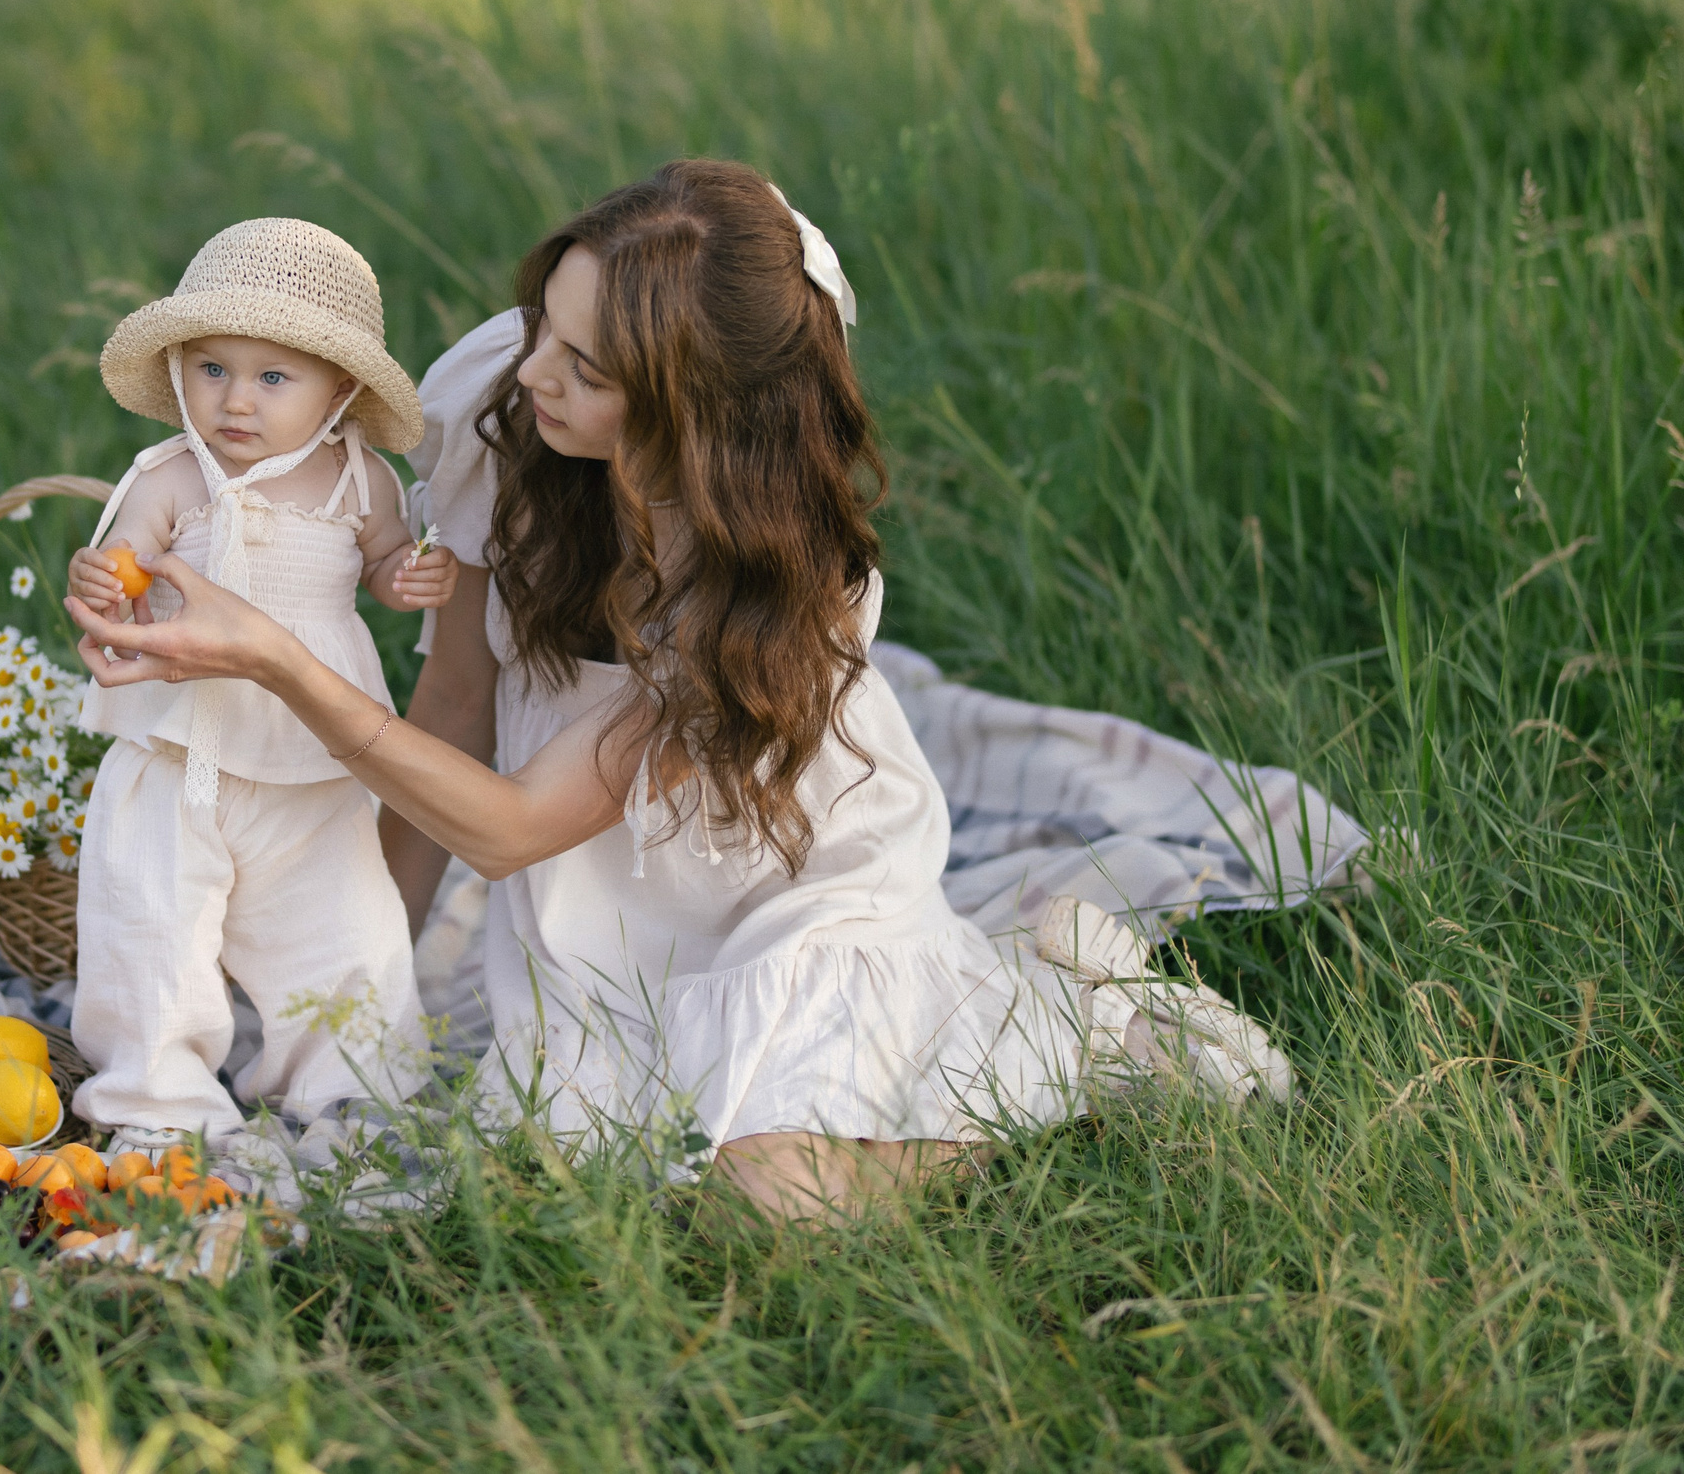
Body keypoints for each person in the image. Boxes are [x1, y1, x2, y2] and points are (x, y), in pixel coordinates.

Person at [66, 163, 1273, 1219]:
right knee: (607, 1156)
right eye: (544, 324)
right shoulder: (509, 411)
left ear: (693, 409)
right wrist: (344, 967)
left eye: (583, 365)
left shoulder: (782, 591)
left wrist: (273, 657)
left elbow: (508, 827)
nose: (534, 369)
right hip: (588, 893)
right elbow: (454, 708)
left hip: (780, 884)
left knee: (769, 1199)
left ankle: (1066, 1037)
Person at [64, 217, 459, 1144]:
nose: (236, 400)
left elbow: (382, 561)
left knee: (343, 924)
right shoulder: (172, 475)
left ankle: (349, 1083)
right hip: (178, 749)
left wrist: (406, 576)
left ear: (340, 388)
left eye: (273, 378)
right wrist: (104, 577)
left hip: (308, 753)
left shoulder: (361, 480)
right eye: (213, 369)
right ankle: (158, 1097)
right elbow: (125, 556)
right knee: (149, 923)